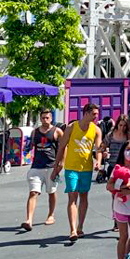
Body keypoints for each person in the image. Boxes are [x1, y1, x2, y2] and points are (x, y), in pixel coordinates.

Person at [51, 102, 103, 242]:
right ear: (86, 113)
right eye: (94, 114)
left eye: (97, 114)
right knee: (72, 196)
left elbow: (98, 149)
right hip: (71, 167)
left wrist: (98, 161)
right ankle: (73, 230)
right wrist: (56, 166)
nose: (96, 117)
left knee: (84, 196)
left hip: (86, 168)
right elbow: (62, 147)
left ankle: (80, 226)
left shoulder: (96, 130)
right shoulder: (71, 127)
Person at [21, 110, 63, 231]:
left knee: (51, 192)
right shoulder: (35, 132)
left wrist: (61, 164)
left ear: (51, 118)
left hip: (51, 166)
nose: (45, 120)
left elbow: (63, 148)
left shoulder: (57, 131)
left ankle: (51, 215)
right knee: (33, 192)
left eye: (47, 118)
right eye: (43, 118)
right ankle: (29, 220)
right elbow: (30, 146)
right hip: (36, 167)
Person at [103, 115, 130, 231]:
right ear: (117, 124)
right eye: (120, 125)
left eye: (125, 126)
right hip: (114, 169)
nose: (122, 128)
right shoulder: (111, 135)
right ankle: (117, 220)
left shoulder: (129, 136)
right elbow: (102, 146)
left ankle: (125, 218)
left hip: (126, 169)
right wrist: (104, 153)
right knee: (115, 195)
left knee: (126, 193)